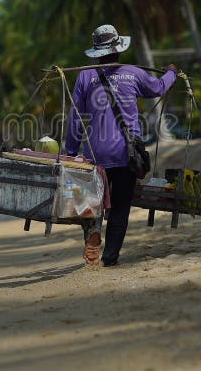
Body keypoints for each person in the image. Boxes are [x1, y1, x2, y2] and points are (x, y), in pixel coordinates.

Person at [66, 24, 177, 266]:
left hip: (95, 155)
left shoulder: (85, 76)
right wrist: (171, 73)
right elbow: (158, 88)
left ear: (97, 52)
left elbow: (76, 117)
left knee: (91, 204)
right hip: (126, 154)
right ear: (118, 49)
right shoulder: (134, 73)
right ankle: (110, 257)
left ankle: (93, 234)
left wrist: (71, 151)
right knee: (120, 208)